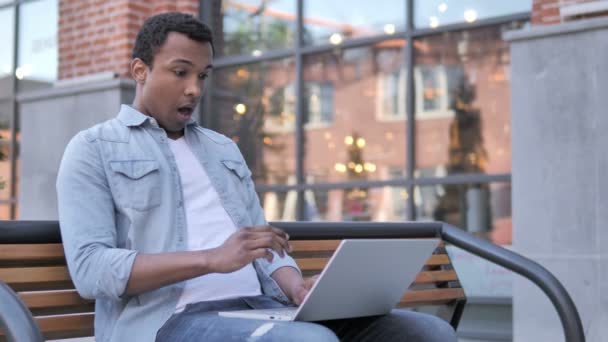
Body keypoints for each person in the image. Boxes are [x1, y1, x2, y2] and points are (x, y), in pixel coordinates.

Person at [56, 12, 457, 342]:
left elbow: (262, 244)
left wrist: (296, 288)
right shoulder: (94, 149)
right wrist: (212, 260)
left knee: (427, 332)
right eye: (180, 72)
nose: (195, 89)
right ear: (140, 71)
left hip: (260, 310)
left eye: (203, 75)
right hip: (168, 321)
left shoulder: (222, 149)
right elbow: (91, 270)